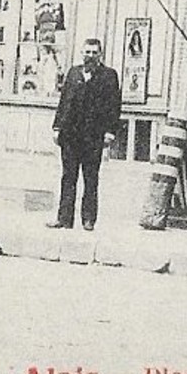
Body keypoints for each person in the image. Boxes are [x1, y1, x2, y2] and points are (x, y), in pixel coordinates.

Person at [46, 37, 121, 232]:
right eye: (87, 52)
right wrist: (57, 127)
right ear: (82, 53)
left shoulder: (109, 75)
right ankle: (64, 218)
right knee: (68, 177)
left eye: (94, 52)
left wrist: (110, 132)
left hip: (93, 136)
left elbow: (114, 107)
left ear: (100, 54)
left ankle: (88, 219)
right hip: (70, 135)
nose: (90, 56)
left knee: (90, 178)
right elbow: (64, 102)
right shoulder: (73, 73)